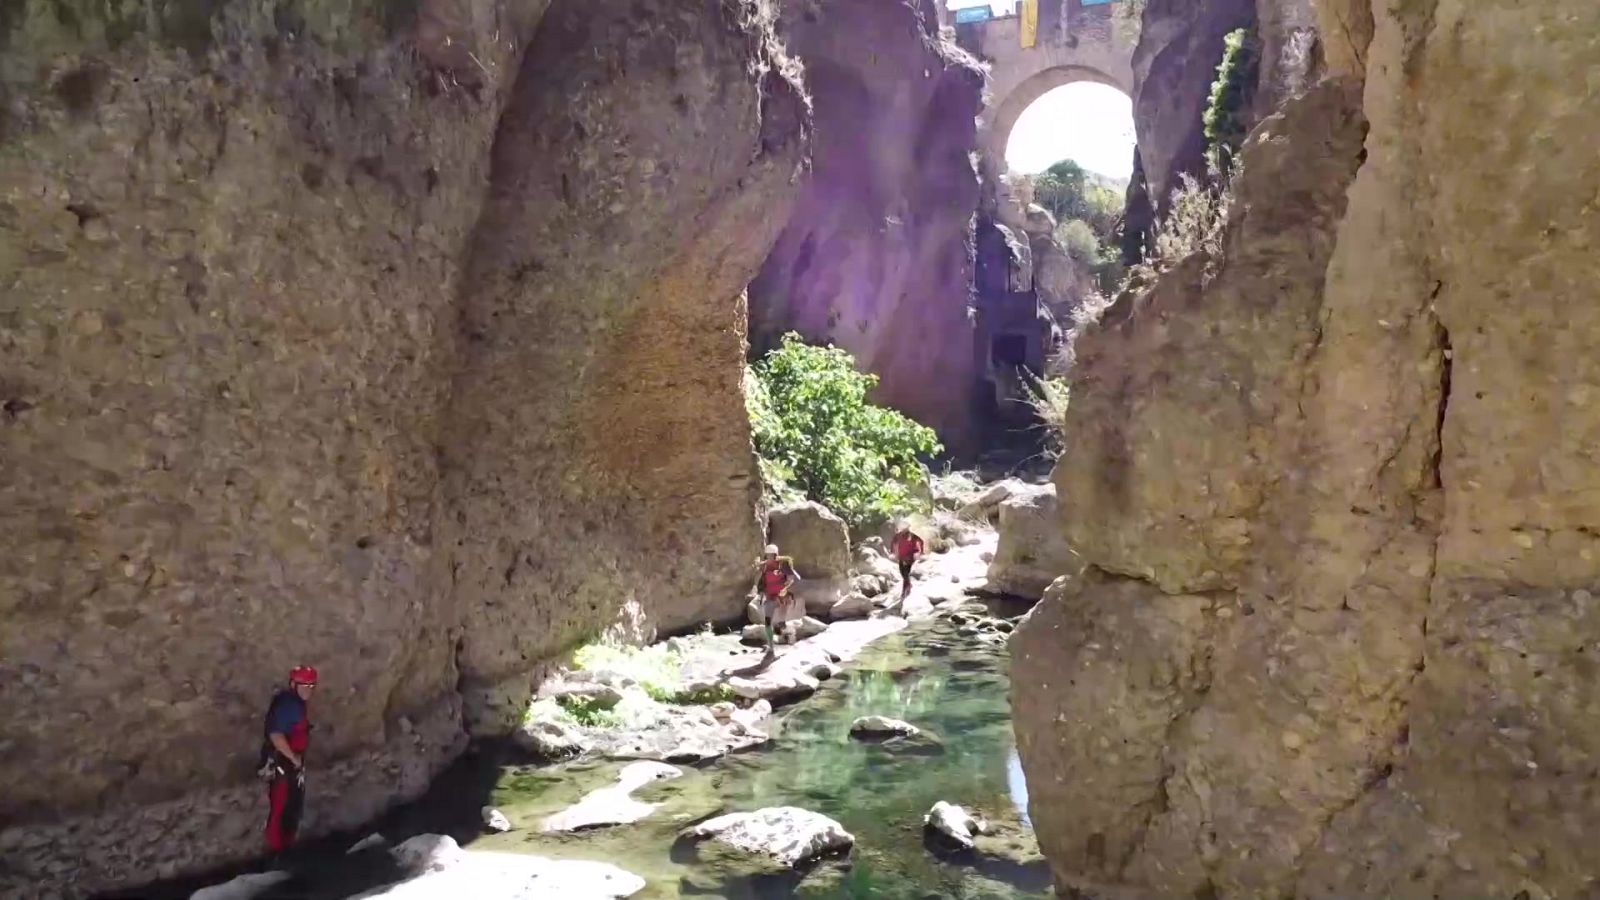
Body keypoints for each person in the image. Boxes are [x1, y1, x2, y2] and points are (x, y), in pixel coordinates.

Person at [259, 666, 316, 855]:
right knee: (282, 806)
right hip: (284, 763)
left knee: (291, 805)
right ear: (293, 684)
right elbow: (276, 735)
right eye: (304, 685)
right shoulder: (289, 705)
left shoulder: (295, 703)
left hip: (290, 763)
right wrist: (293, 758)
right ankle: (278, 851)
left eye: (311, 685)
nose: (308, 689)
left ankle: (285, 847)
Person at [754, 544, 801, 660]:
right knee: (767, 622)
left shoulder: (783, 564)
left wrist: (786, 587)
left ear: (776, 555)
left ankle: (786, 632)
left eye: (772, 555)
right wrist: (760, 591)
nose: (770, 558)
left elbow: (793, 578)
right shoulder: (764, 566)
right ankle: (771, 647)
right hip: (770, 597)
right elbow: (760, 581)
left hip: (782, 597)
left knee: (781, 624)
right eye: (768, 555)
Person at [890, 522, 925, 599]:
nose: (904, 529)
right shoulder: (898, 535)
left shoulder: (912, 536)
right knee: (902, 573)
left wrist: (920, 551)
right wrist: (893, 552)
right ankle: (908, 585)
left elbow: (921, 541)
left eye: (905, 528)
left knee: (906, 573)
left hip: (909, 557)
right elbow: (893, 542)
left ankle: (905, 590)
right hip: (901, 557)